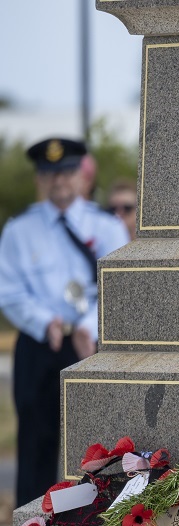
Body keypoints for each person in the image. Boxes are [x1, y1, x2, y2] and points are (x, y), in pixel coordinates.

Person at [0, 138, 129, 507]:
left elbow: (115, 286)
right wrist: (44, 322)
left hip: (89, 344)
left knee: (96, 448)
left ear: (82, 175)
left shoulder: (106, 228)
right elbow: (9, 290)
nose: (58, 180)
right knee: (36, 443)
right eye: (49, 173)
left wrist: (90, 324)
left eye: (67, 172)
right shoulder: (19, 231)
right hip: (41, 345)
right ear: (40, 179)